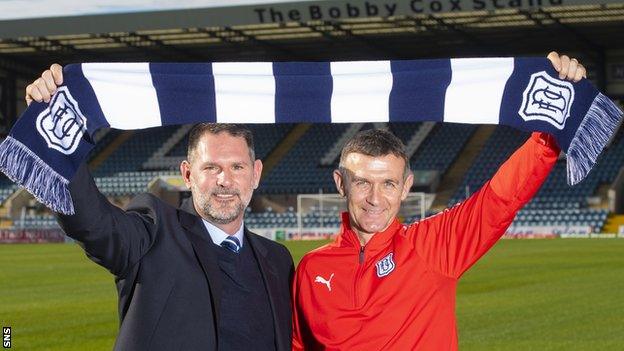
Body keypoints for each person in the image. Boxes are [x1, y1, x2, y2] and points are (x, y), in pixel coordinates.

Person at [291, 52, 586, 350]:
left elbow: (502, 197)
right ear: (341, 183)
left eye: (389, 184)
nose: (375, 199)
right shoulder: (310, 268)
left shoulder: (432, 246)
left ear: (406, 187)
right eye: (362, 182)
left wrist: (553, 118)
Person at [26, 69, 294, 350]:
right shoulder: (154, 232)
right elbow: (91, 223)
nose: (224, 180)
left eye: (237, 167)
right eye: (211, 167)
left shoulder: (278, 260)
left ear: (256, 174)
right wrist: (54, 133)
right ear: (188, 175)